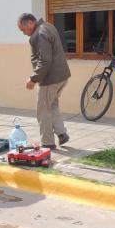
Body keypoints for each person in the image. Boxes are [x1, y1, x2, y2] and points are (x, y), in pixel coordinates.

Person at [17, 13, 71, 149]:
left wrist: (33, 79)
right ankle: (62, 134)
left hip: (50, 79)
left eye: (23, 29)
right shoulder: (48, 26)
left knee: (43, 110)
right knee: (52, 105)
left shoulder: (41, 33)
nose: (23, 33)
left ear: (30, 23)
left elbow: (45, 61)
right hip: (61, 76)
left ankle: (48, 142)